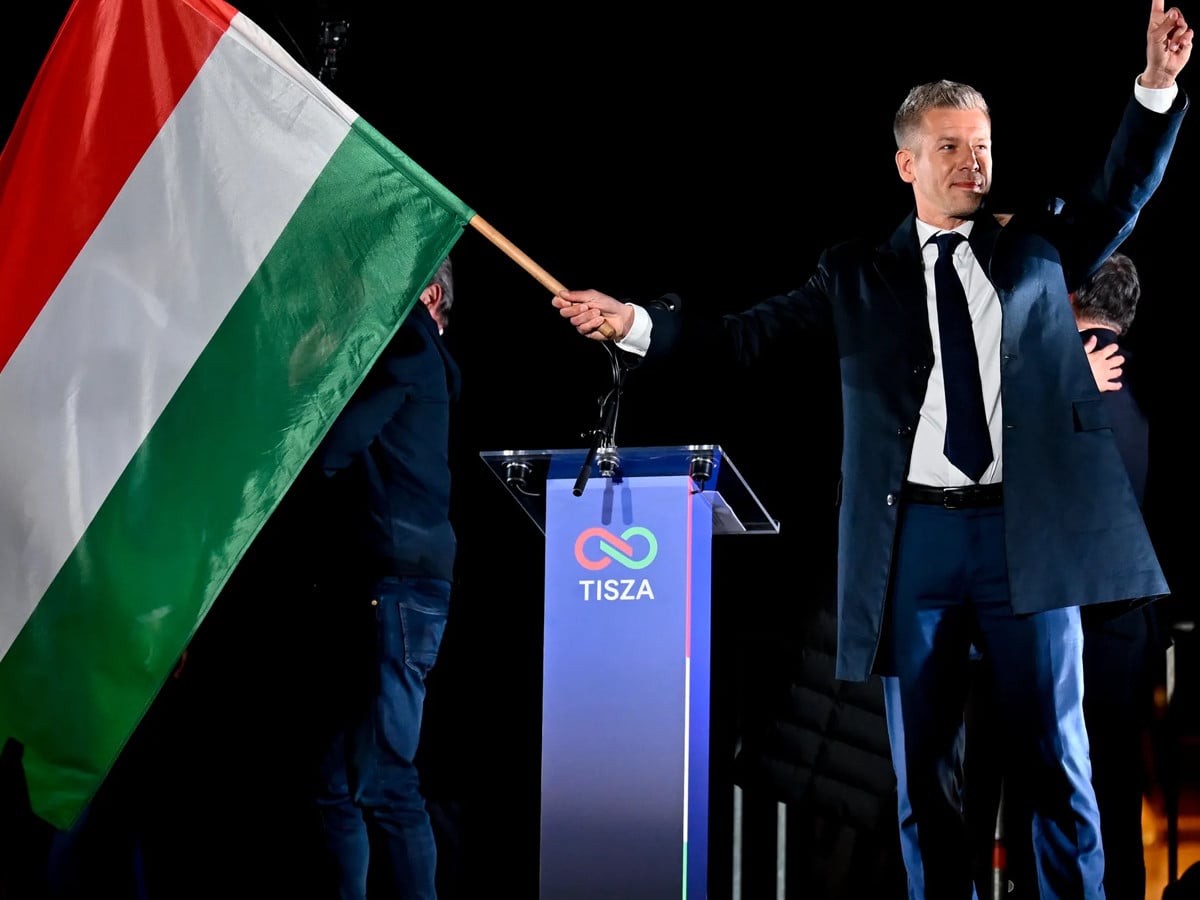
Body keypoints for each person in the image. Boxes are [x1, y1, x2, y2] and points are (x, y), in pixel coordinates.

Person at [552, 3, 1191, 896]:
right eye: (950, 147)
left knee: (1058, 765)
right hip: (916, 540)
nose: (972, 162)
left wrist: (1154, 88)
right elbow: (743, 339)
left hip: (1027, 536)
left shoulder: (1038, 246)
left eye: (982, 146)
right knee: (923, 774)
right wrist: (635, 325)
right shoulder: (854, 272)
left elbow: (1120, 192)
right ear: (907, 163)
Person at [966, 252, 1168, 900]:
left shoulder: (1056, 372)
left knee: (1045, 784)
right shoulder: (1139, 385)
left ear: (1071, 294)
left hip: (1055, 613)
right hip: (1127, 621)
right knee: (1113, 790)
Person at [299, 255, 461, 900]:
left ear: (428, 295)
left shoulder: (410, 348)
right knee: (338, 784)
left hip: (395, 590)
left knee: (386, 780)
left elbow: (332, 447)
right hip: (385, 584)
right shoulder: (417, 355)